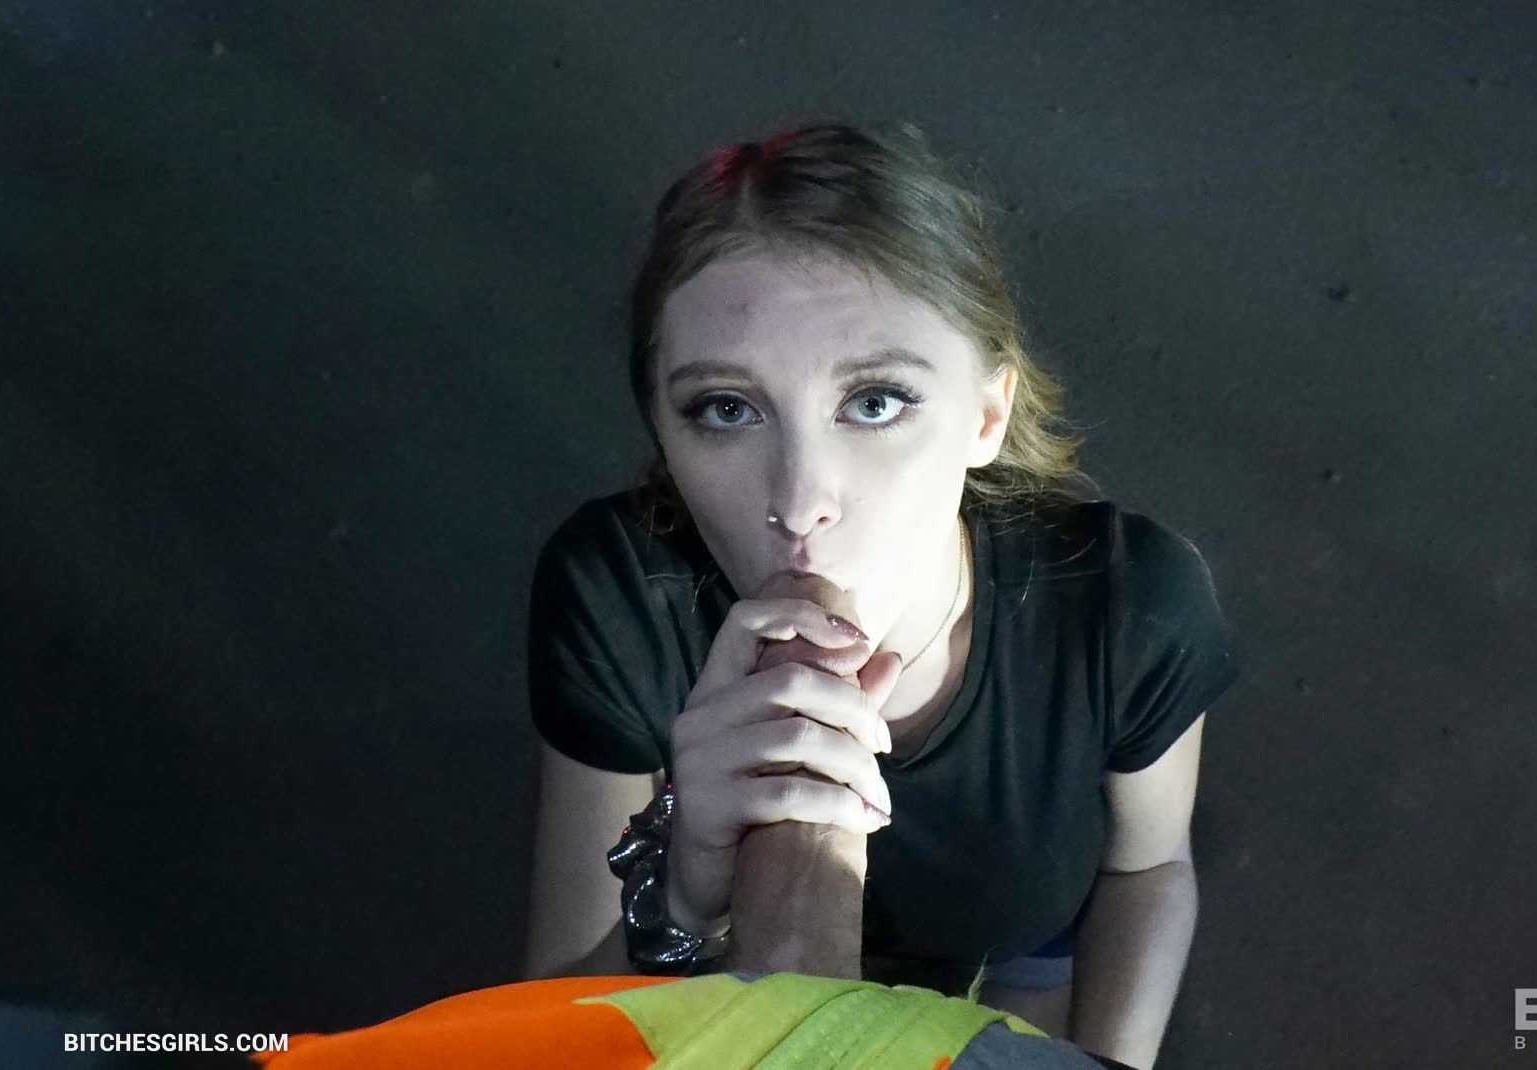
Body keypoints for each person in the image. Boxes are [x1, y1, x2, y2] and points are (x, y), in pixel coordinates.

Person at [517, 120, 1245, 1068]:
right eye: (727, 409)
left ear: (986, 414)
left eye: (874, 402)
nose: (799, 502)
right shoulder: (621, 598)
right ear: (663, 430)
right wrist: (684, 901)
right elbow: (558, 1017)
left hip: (1017, 958)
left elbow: (1148, 867)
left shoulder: (1127, 607)